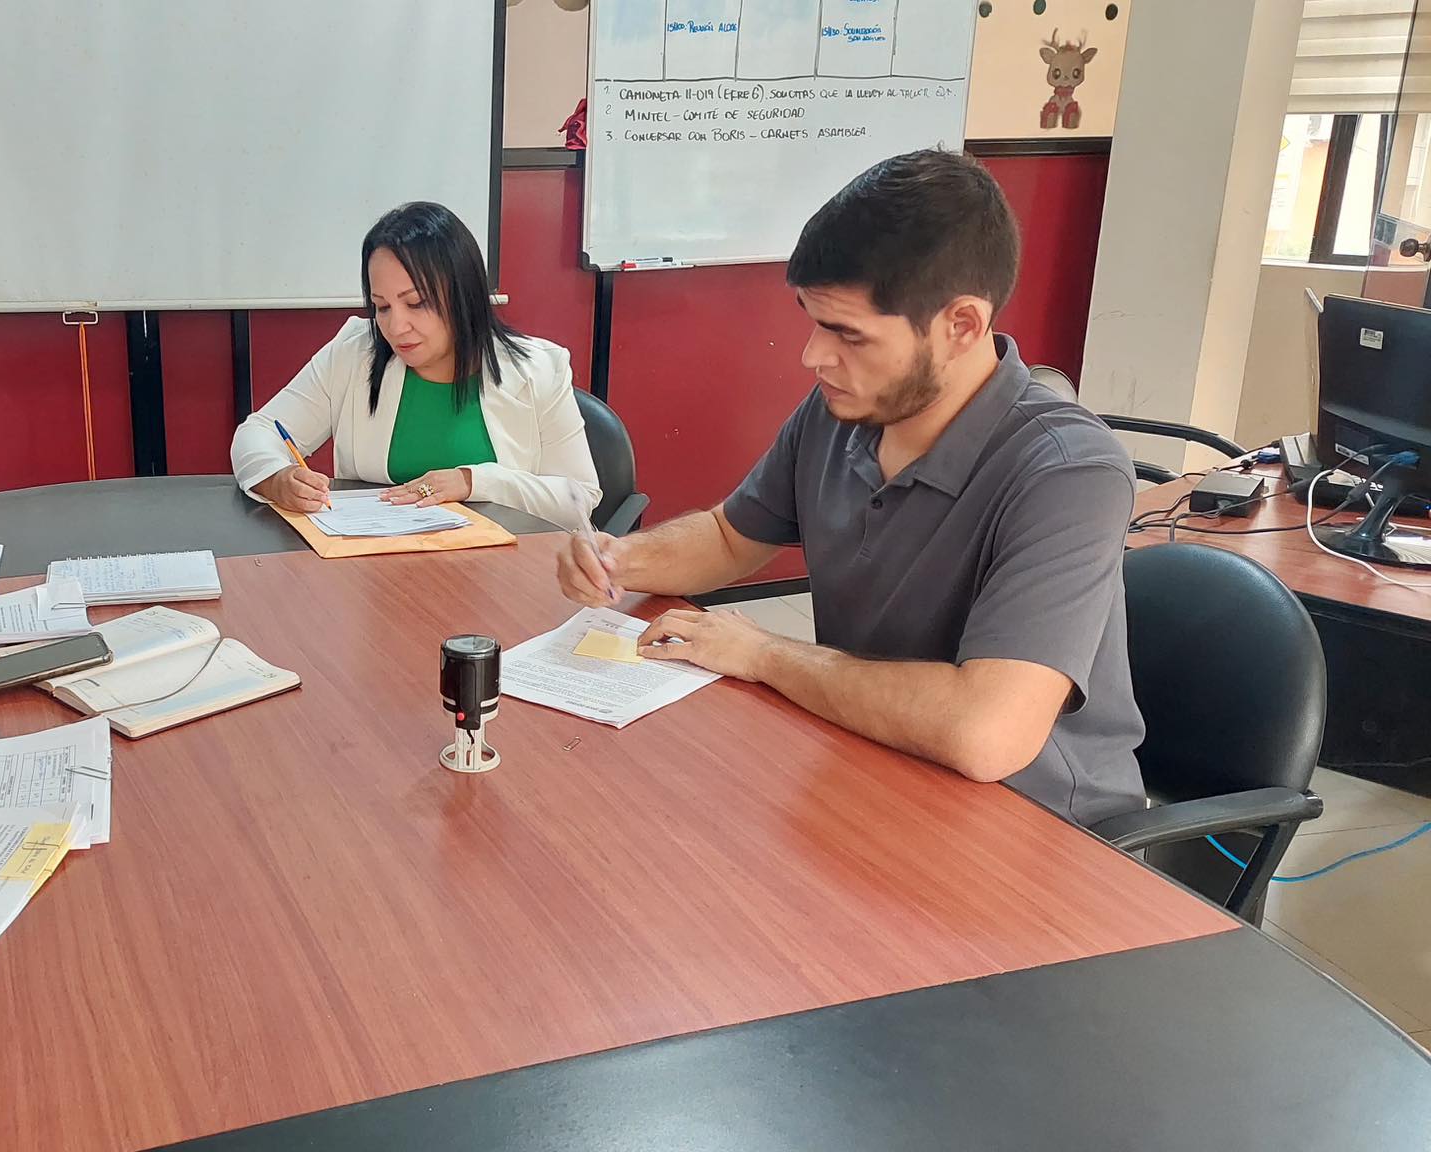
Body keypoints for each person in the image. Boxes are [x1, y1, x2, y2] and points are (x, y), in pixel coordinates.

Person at [556, 150, 1146, 827]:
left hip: (1036, 827)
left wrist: (766, 654)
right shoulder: (845, 410)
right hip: (869, 762)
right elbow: (729, 536)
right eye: (814, 321)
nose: (813, 356)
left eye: (849, 335)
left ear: (961, 326)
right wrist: (619, 559)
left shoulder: (1068, 471)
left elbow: (985, 733)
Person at [232, 201, 601, 532]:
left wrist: (473, 482)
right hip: (377, 570)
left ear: (462, 294)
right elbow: (259, 431)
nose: (396, 327)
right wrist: (277, 479)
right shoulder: (354, 353)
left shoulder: (539, 368)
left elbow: (578, 498)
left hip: (507, 571)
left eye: (417, 303)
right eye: (382, 306)